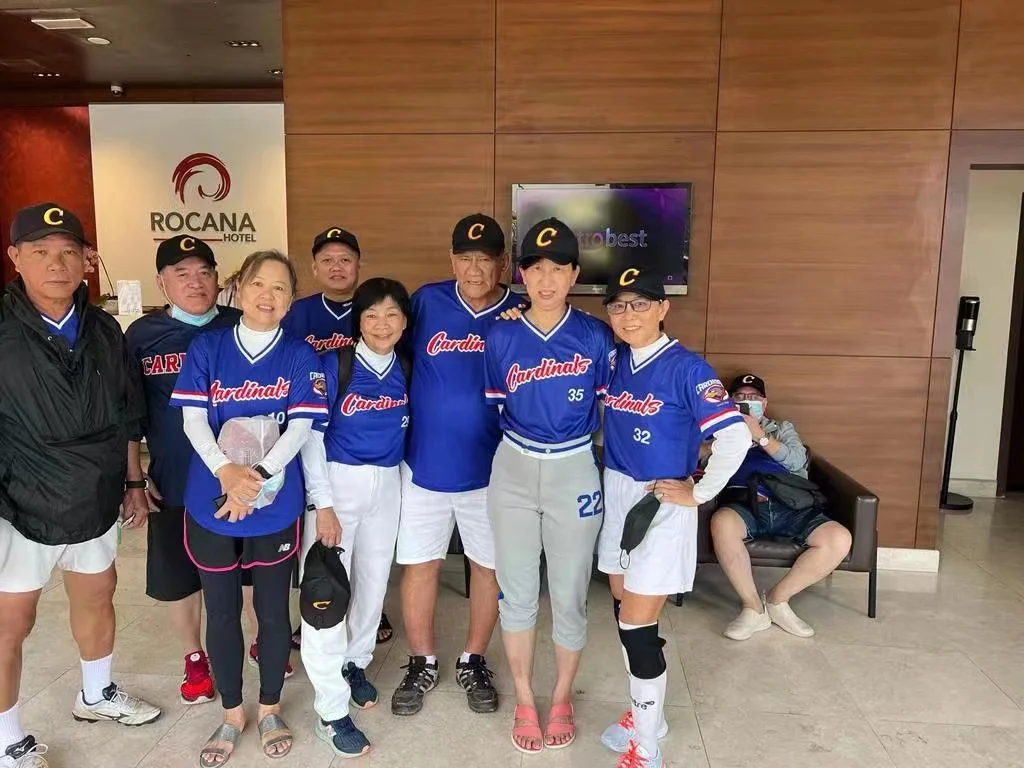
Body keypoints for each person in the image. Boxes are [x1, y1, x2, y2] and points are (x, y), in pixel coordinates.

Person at [0, 203, 161, 768]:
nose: (57, 264)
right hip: (19, 501)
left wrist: (134, 480)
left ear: (87, 260)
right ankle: (7, 739)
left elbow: (126, 413)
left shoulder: (104, 329)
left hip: (93, 492)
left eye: (69, 251)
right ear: (15, 257)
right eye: (41, 252)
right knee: (10, 623)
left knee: (97, 596)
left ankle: (96, 694)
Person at [170, 250, 328, 765]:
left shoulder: (300, 354)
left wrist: (255, 478)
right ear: (238, 287)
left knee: (272, 610)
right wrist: (227, 473)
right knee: (221, 611)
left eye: (280, 287)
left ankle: (270, 707)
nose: (267, 295)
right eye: (258, 284)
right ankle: (232, 711)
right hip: (213, 498)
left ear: (291, 299)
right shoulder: (208, 347)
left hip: (274, 502)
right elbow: (193, 419)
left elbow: (300, 428)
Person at [595, 268, 750, 768]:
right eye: (618, 306)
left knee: (637, 625)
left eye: (640, 304)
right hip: (616, 494)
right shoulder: (615, 360)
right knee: (624, 611)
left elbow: (735, 436)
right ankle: (650, 718)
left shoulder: (688, 368)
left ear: (663, 308)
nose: (628, 315)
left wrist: (699, 492)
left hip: (660, 503)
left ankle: (647, 747)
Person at [483, 217, 614, 753]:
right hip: (514, 466)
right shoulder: (502, 333)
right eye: (535, 269)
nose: (546, 279)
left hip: (574, 466)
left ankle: (560, 696)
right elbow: (498, 409)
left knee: (569, 593)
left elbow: (606, 410)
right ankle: (523, 696)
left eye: (558, 269)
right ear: (522, 274)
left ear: (574, 275)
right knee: (516, 592)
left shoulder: (595, 334)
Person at [391, 213, 521, 717]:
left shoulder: (521, 311)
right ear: (452, 260)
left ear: (502, 263)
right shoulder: (426, 301)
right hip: (424, 464)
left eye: (485, 259)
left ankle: (474, 659)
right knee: (420, 564)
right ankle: (421, 660)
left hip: (493, 470)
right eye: (465, 258)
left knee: (487, 567)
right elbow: (391, 355)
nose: (474, 268)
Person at [123, 235, 241, 706]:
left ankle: (258, 639)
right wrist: (134, 479)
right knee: (178, 572)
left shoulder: (239, 324)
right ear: (162, 282)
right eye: (182, 274)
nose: (196, 282)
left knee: (246, 568)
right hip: (173, 476)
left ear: (218, 278)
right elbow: (130, 414)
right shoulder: (143, 335)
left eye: (204, 272)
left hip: (238, 479)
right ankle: (195, 657)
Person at [300, 277, 412, 757]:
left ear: (405, 322)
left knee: (373, 581)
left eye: (392, 314)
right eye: (372, 315)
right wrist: (322, 503)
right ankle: (330, 709)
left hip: (387, 484)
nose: (382, 324)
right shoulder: (335, 365)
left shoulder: (406, 366)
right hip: (338, 484)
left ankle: (355, 662)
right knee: (326, 593)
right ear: (358, 321)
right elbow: (310, 438)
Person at [278, 227, 394, 647]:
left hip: (371, 450)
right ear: (313, 267)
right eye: (327, 260)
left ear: (359, 265)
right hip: (311, 436)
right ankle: (318, 613)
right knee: (319, 543)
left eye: (345, 259)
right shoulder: (297, 314)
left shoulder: (377, 309)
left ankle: (366, 617)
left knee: (369, 551)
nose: (337, 267)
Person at [711, 374, 852, 640]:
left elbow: (798, 460)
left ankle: (777, 601)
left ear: (764, 404)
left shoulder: (781, 428)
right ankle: (753, 608)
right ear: (730, 401)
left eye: (753, 397)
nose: (747, 401)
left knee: (838, 538)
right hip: (745, 503)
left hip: (789, 503)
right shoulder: (718, 427)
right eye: (740, 396)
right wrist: (728, 437)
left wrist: (760, 437)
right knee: (722, 523)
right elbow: (697, 458)